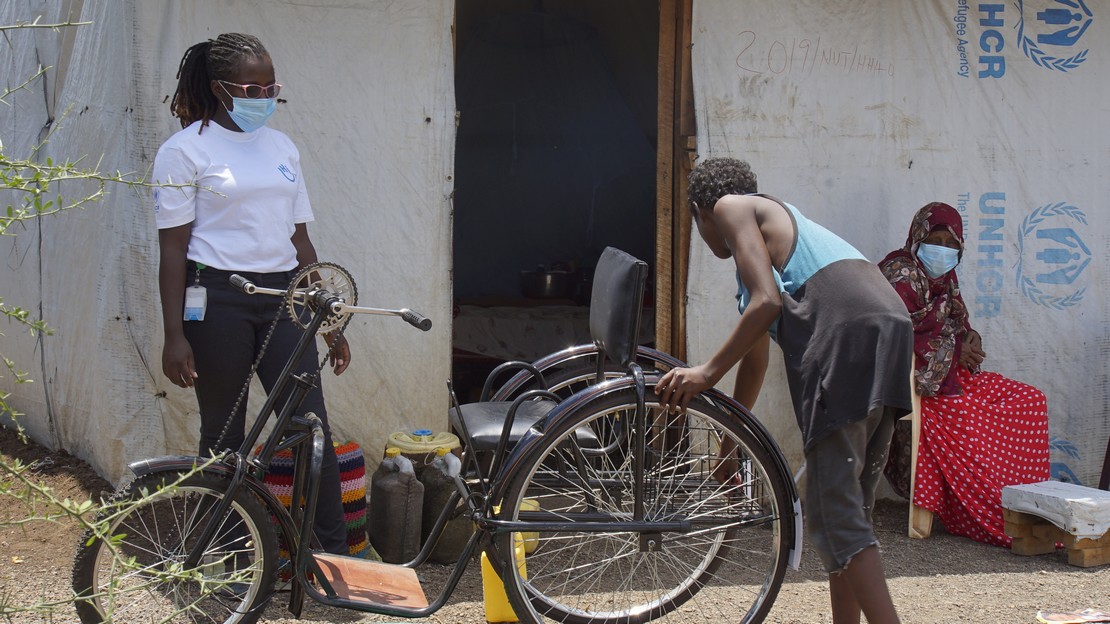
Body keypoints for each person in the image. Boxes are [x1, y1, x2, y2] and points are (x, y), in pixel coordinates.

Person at [657, 157, 910, 624]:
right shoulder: (768, 251)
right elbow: (754, 360)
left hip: (847, 334)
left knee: (833, 513)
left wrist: (705, 373)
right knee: (846, 511)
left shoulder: (732, 206)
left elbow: (767, 304)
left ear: (700, 211)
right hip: (887, 327)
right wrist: (730, 448)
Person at [153, 33, 349, 554]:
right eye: (251, 87)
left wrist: (328, 318)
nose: (262, 97)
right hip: (217, 300)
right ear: (220, 88)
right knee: (223, 435)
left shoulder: (283, 147)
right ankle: (229, 556)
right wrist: (174, 334)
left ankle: (331, 551)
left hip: (288, 299)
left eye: (270, 87)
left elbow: (300, 238)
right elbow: (172, 250)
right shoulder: (184, 151)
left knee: (310, 427)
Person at [879, 201, 1050, 547]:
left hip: (952, 379)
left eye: (951, 243)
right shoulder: (901, 274)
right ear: (918, 236)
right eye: (935, 239)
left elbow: (956, 326)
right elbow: (893, 334)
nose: (942, 249)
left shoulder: (946, 280)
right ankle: (989, 510)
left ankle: (1026, 511)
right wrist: (957, 348)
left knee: (1030, 400)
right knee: (972, 418)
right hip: (920, 387)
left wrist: (970, 339)